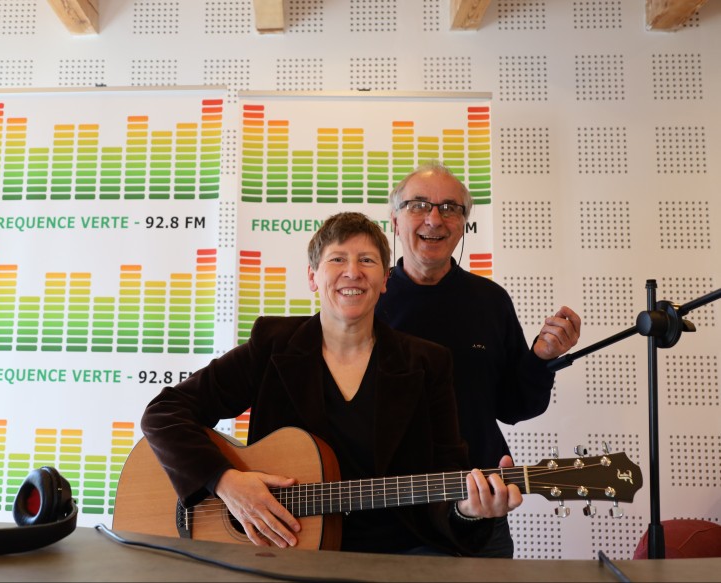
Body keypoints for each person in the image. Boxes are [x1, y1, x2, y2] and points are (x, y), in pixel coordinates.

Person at [140, 211, 522, 556]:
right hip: (287, 551)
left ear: (385, 280)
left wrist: (468, 510)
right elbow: (164, 413)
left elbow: (445, 477)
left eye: (367, 260)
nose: (352, 272)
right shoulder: (272, 345)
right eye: (337, 259)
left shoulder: (427, 363)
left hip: (399, 553)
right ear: (312, 277)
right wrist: (225, 482)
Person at [375, 161, 582, 558]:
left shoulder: (490, 301)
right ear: (395, 220)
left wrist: (541, 358)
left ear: (463, 225)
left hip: (478, 505)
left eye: (450, 208)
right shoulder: (367, 298)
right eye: (419, 205)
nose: (435, 218)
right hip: (385, 510)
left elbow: (514, 406)